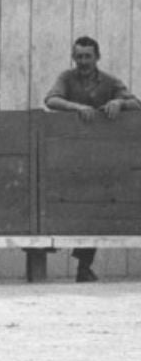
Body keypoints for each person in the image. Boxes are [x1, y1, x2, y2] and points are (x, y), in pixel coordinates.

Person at [43, 36, 141, 283]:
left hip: (100, 158)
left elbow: (136, 103)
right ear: (73, 57)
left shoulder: (108, 81)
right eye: (79, 56)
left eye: (88, 56)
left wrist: (119, 102)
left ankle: (83, 266)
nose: (83, 61)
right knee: (66, 204)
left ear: (97, 57)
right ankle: (76, 264)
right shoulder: (67, 77)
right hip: (69, 158)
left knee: (94, 210)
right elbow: (51, 99)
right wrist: (76, 108)